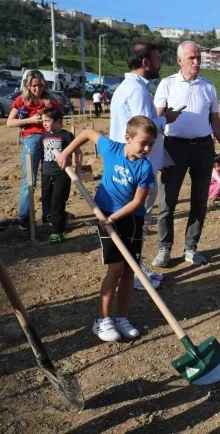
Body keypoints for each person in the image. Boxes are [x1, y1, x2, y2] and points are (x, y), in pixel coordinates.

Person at [56, 116, 158, 342]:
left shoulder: (145, 167)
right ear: (127, 138)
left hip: (130, 218)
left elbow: (137, 203)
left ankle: (122, 317)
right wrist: (66, 153)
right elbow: (87, 132)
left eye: (151, 144)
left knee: (131, 270)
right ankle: (102, 320)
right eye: (143, 143)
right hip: (104, 214)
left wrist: (115, 217)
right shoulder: (111, 148)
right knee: (116, 268)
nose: (147, 148)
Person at [152, 40, 220, 267]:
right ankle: (164, 248)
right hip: (174, 148)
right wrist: (156, 151)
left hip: (203, 148)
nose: (196, 61)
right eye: (191, 58)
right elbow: (157, 120)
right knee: (168, 200)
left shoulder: (208, 87)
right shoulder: (167, 85)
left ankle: (191, 247)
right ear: (180, 60)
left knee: (199, 200)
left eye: (198, 57)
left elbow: (215, 122)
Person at [111, 42, 181, 289]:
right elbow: (145, 128)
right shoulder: (138, 91)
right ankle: (134, 271)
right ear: (145, 62)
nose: (160, 63)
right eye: (158, 58)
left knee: (136, 222)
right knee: (137, 221)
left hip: (131, 164)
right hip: (138, 168)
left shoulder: (127, 88)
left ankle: (134, 267)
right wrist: (167, 118)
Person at [6, 70, 59, 230]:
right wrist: (30, 119)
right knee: (30, 179)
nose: (37, 88)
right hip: (32, 139)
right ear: (28, 86)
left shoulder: (49, 100)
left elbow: (59, 118)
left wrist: (49, 114)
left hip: (49, 139)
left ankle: (48, 214)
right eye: (34, 85)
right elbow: (10, 122)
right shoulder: (21, 101)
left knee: (49, 178)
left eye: (40, 85)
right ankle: (24, 217)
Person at [40, 108, 77, 243]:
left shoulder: (66, 136)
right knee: (47, 200)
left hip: (62, 174)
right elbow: (42, 155)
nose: (44, 123)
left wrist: (77, 167)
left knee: (58, 201)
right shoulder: (43, 137)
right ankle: (62, 216)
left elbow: (77, 152)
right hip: (46, 173)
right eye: (43, 120)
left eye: (47, 121)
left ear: (58, 121)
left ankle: (57, 232)